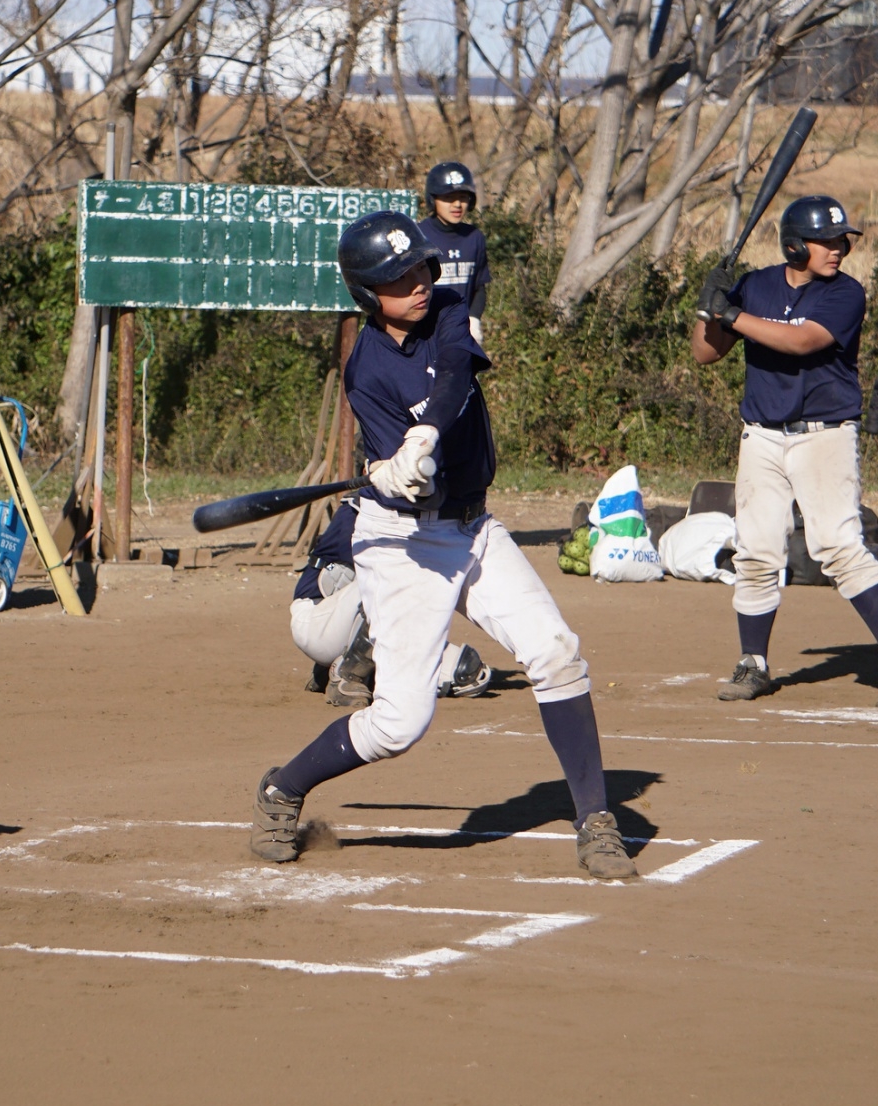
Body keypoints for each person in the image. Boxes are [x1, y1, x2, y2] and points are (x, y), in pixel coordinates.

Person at [249, 210, 636, 879]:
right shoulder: (366, 369)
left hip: (472, 526)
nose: (419, 282)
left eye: (422, 266)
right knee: (400, 721)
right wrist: (400, 474)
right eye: (399, 278)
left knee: (555, 650)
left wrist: (423, 436)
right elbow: (404, 487)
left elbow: (456, 371)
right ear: (369, 294)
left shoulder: (451, 309)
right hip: (403, 541)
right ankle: (284, 786)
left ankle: (596, 819)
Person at [691, 195, 878, 708]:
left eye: (842, 240)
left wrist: (732, 313)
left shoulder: (846, 295)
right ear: (795, 246)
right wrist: (708, 308)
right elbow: (705, 353)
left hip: (824, 436)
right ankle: (753, 663)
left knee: (838, 546)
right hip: (762, 436)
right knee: (755, 551)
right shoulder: (755, 285)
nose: (839, 249)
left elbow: (799, 342)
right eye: (827, 241)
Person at [291, 497, 492, 705]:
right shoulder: (362, 510)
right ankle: (348, 674)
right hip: (316, 622)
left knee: (466, 672)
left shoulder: (415, 516)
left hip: (346, 620)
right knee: (394, 576)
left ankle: (351, 660)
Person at [414, 161, 491, 342]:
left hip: (460, 333)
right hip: (424, 334)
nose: (457, 204)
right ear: (433, 199)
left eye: (463, 197)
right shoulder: (418, 235)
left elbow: (479, 287)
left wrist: (474, 321)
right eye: (449, 197)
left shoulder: (474, 237)